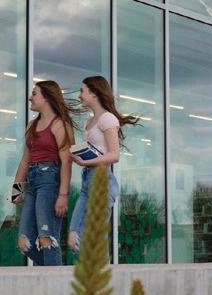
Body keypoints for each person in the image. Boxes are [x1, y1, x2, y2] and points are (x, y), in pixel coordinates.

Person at [67, 75, 138, 249]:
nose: (79, 95)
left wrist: (85, 162)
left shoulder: (107, 119)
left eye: (82, 91)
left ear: (94, 93)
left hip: (102, 182)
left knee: (91, 241)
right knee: (74, 238)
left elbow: (114, 155)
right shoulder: (89, 122)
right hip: (87, 181)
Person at [11, 80, 74, 266]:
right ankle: (54, 271)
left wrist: (63, 195)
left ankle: (55, 278)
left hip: (50, 181)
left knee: (47, 239)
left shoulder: (59, 125)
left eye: (34, 93)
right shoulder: (31, 125)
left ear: (46, 97)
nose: (30, 98)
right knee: (24, 242)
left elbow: (66, 161)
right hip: (32, 181)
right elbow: (25, 159)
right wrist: (17, 190)